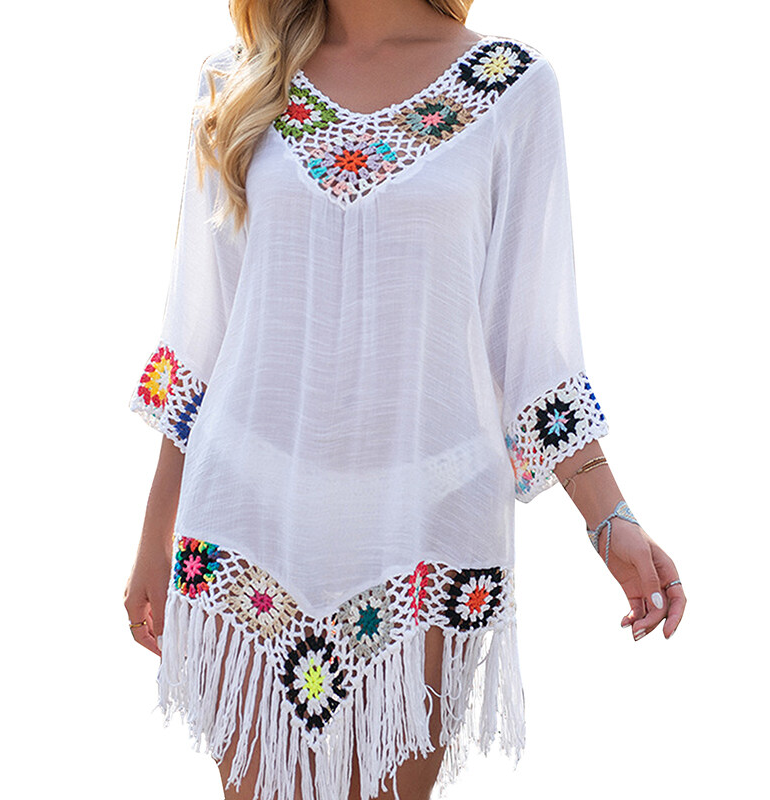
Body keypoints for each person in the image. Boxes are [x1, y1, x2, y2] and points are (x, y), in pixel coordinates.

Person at [123, 2, 687, 799]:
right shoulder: (238, 80)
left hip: (424, 531)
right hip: (247, 521)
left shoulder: (510, 87)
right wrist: (155, 533)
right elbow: (202, 333)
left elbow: (531, 344)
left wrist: (609, 517)